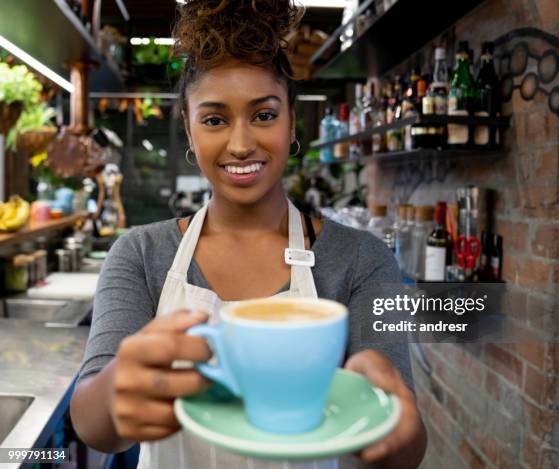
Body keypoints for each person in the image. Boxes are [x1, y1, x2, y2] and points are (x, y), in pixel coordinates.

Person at [70, 1, 427, 468]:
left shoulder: (361, 257)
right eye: (215, 119)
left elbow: (407, 448)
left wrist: (393, 423)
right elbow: (92, 424)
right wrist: (116, 394)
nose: (241, 144)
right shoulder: (140, 254)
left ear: (292, 121)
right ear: (190, 130)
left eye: (263, 115)